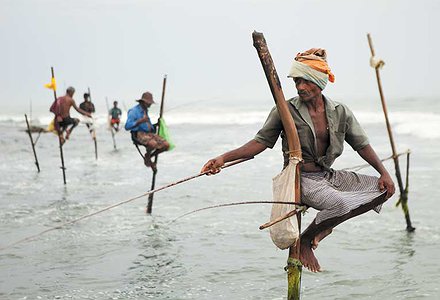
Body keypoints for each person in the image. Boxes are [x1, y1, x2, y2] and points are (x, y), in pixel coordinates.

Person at [201, 48, 395, 273]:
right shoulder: (286, 110)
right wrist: (222, 159)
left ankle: (323, 227)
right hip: (301, 179)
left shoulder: (340, 111)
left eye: (306, 81)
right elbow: (259, 143)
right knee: (339, 204)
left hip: (327, 176)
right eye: (297, 82)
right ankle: (305, 241)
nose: (301, 87)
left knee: (383, 190)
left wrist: (384, 173)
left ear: (320, 82)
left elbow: (361, 145)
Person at [125, 92, 170, 171]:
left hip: (149, 134)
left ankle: (148, 156)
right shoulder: (133, 111)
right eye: (149, 103)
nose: (150, 105)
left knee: (166, 145)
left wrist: (156, 124)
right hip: (138, 134)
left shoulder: (145, 111)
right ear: (143, 102)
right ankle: (148, 156)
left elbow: (148, 126)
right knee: (153, 144)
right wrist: (140, 121)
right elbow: (127, 126)